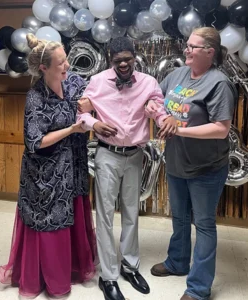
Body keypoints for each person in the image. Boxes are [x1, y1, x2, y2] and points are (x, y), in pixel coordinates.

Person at [77, 36, 177, 300]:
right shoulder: (97, 81)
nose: (123, 64)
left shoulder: (149, 82)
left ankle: (130, 266)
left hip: (135, 155)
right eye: (117, 60)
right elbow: (81, 113)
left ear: (135, 57)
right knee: (106, 216)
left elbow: (158, 108)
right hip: (107, 154)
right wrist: (94, 125)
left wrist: (163, 116)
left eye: (127, 59)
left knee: (132, 213)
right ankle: (108, 277)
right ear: (110, 59)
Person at [0, 33, 97, 299]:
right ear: (44, 68)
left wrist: (88, 108)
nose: (67, 66)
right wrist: (72, 128)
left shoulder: (74, 82)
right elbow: (34, 141)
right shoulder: (36, 97)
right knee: (48, 220)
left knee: (71, 214)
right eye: (61, 63)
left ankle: (73, 268)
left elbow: (90, 103)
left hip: (72, 166)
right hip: (45, 172)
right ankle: (46, 278)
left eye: (66, 60)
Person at [146, 27, 237, 300]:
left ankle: (198, 288)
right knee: (180, 217)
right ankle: (177, 262)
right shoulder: (178, 74)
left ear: (209, 52)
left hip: (206, 168)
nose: (186, 50)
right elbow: (156, 99)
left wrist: (178, 129)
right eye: (187, 45)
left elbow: (221, 129)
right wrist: (154, 111)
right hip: (177, 162)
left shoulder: (219, 83)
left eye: (193, 47)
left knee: (205, 224)